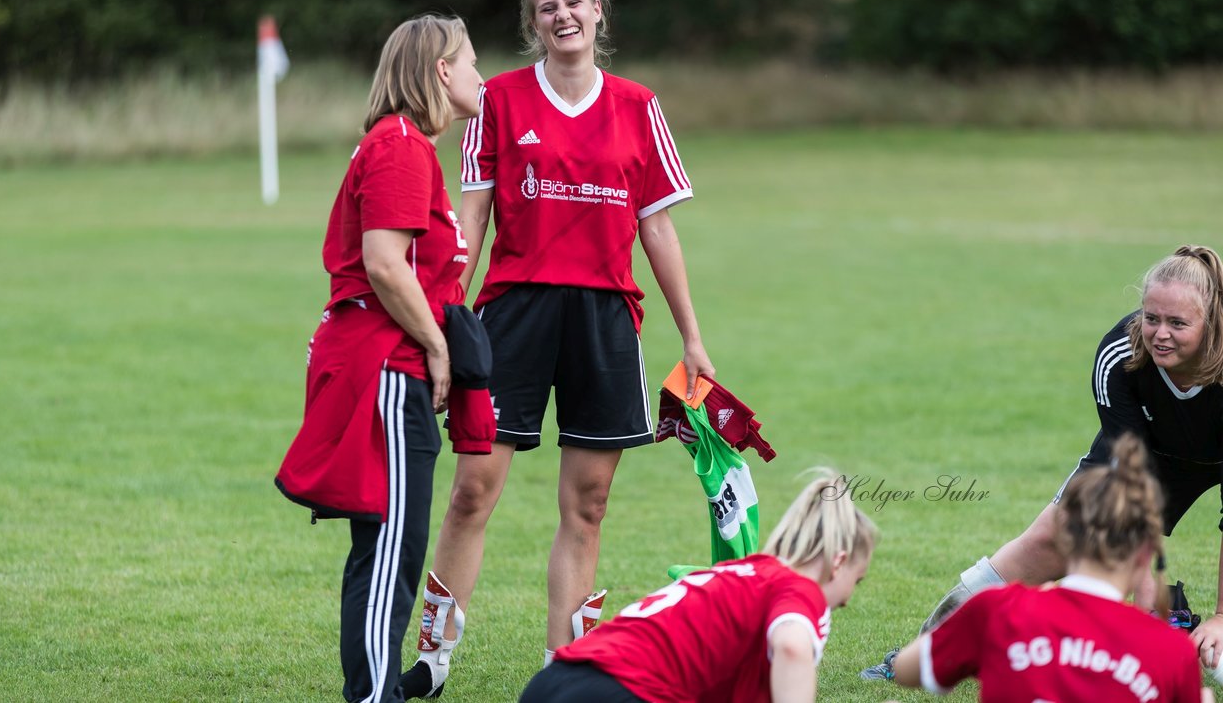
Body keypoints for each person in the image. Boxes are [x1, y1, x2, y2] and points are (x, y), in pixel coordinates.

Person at [401, 0, 715, 697]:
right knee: (473, 488)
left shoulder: (640, 106)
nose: (563, 15)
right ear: (532, 23)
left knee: (589, 503)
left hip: (604, 318)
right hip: (513, 313)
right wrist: (444, 321)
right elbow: (469, 223)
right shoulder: (499, 101)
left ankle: (564, 675)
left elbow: (658, 231)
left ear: (599, 11)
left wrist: (692, 337)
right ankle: (434, 655)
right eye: (547, 8)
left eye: (575, 3)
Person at [862, 244, 1223, 682]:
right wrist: (1142, 577)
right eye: (1151, 318)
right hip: (1144, 454)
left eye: (1177, 323)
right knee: (1048, 537)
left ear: (1212, 322)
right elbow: (1127, 472)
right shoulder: (1121, 353)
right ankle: (926, 652)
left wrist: (1222, 616)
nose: (1159, 333)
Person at [274, 15, 488, 703]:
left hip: (390, 368)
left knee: (389, 548)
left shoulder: (408, 146)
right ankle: (373, 697)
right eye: (471, 61)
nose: (480, 76)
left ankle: (375, 687)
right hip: (388, 371)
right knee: (390, 552)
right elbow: (385, 264)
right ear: (439, 72)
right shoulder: (400, 146)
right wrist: (435, 345)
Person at [890, 433, 1212, 702]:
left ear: (1065, 537)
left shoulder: (998, 609)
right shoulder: (1172, 653)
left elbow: (905, 669)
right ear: (1145, 554)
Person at [516, 470, 875, 703]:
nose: (847, 599)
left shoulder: (743, 573)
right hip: (618, 693)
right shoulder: (797, 588)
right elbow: (793, 647)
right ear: (839, 562)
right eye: (855, 582)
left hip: (553, 684)